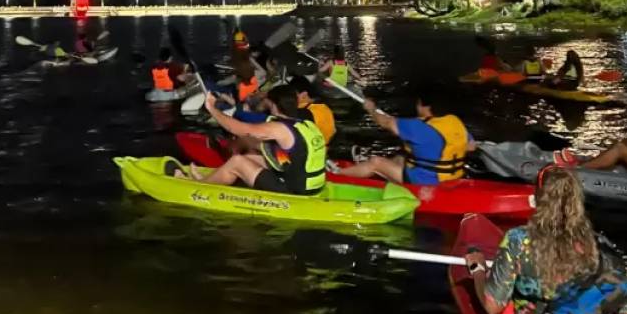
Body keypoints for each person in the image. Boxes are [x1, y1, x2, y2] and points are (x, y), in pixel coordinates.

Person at [465, 167, 627, 314]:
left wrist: (478, 270)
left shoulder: (518, 240)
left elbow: (492, 307)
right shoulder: (600, 245)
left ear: (537, 198)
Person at [180, 84, 327, 195]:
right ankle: (208, 180)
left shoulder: (278, 127)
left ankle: (198, 187)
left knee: (237, 162)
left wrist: (212, 109)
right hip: (312, 185)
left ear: (271, 103)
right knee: (251, 157)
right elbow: (294, 155)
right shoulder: (306, 124)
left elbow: (238, 129)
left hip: (294, 191)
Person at [334, 88, 474, 184]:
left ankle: (336, 175)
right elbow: (471, 146)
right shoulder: (454, 121)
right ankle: (383, 177)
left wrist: (371, 109)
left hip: (427, 181)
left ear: (427, 107)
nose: (417, 106)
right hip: (453, 176)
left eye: (419, 104)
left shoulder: (418, 126)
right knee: (401, 156)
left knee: (376, 162)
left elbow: (385, 122)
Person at [290, 75, 336, 145]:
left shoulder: (305, 112)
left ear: (304, 94)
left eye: (293, 95)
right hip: (323, 147)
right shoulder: (323, 106)